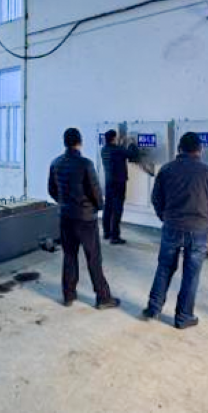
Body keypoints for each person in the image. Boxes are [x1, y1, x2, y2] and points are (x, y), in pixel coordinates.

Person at [142, 132, 208, 329]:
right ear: (200, 149)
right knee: (191, 274)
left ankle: (153, 309)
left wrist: (164, 217)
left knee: (164, 267)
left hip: (172, 226)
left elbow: (156, 198)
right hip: (198, 230)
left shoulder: (166, 169)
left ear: (179, 149)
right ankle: (183, 317)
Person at [48, 128, 120, 309]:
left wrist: (64, 203)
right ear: (80, 142)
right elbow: (95, 191)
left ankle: (68, 295)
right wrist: (99, 207)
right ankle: (103, 298)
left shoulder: (56, 163)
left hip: (66, 217)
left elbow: (52, 190)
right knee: (93, 258)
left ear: (65, 142)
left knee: (69, 255)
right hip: (86, 219)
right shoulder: (86, 164)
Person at [100, 129, 138, 244]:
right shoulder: (118, 149)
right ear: (114, 138)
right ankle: (115, 237)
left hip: (108, 182)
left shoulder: (104, 149)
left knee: (108, 207)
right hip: (119, 183)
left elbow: (119, 155)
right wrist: (131, 143)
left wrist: (121, 145)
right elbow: (132, 154)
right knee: (117, 209)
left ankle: (106, 233)